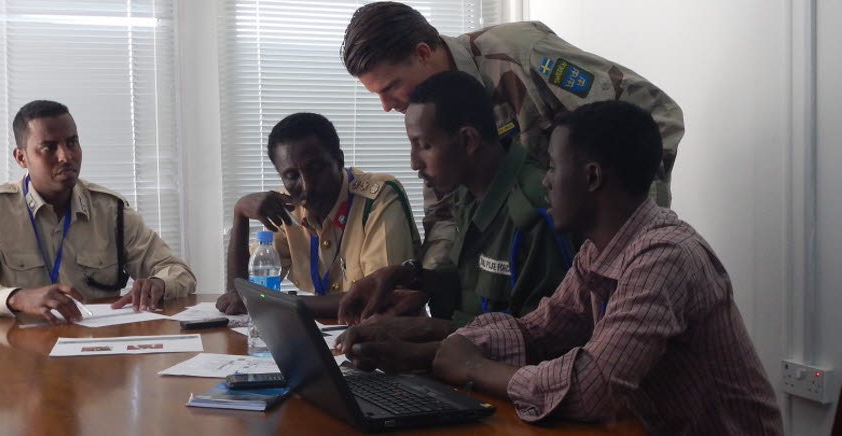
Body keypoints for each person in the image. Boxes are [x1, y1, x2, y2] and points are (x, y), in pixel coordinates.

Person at [427, 100, 782, 434]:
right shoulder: (599, 251)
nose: (546, 181)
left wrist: (475, 367)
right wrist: (444, 348)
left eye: (552, 166)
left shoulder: (664, 256)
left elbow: (590, 389)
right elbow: (542, 331)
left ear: (592, 177)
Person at [341, 1, 684, 269]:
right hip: (526, 271)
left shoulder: (518, 54)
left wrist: (633, 229)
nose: (386, 106)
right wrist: (429, 283)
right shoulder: (426, 112)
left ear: (422, 53)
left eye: (390, 87)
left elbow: (657, 115)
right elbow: (444, 213)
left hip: (602, 252)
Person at [335, 71, 573, 370]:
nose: (413, 163)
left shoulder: (540, 208)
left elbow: (537, 340)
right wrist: (410, 278)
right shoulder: (467, 192)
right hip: (463, 373)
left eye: (423, 145)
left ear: (468, 140)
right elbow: (469, 285)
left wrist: (421, 332)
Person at [0, 100, 196, 323]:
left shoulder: (111, 210)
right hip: (21, 350)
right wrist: (18, 298)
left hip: (98, 350)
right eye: (49, 147)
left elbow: (180, 273)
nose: (66, 156)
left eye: (72, 143)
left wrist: (159, 283)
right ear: (21, 158)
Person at [216, 112, 420, 317]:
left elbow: (379, 297)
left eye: (316, 169)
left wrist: (275, 301)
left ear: (339, 161)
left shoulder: (378, 198)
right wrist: (240, 215)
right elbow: (240, 295)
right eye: (292, 176)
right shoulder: (285, 209)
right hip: (331, 335)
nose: (307, 186)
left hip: (388, 339)